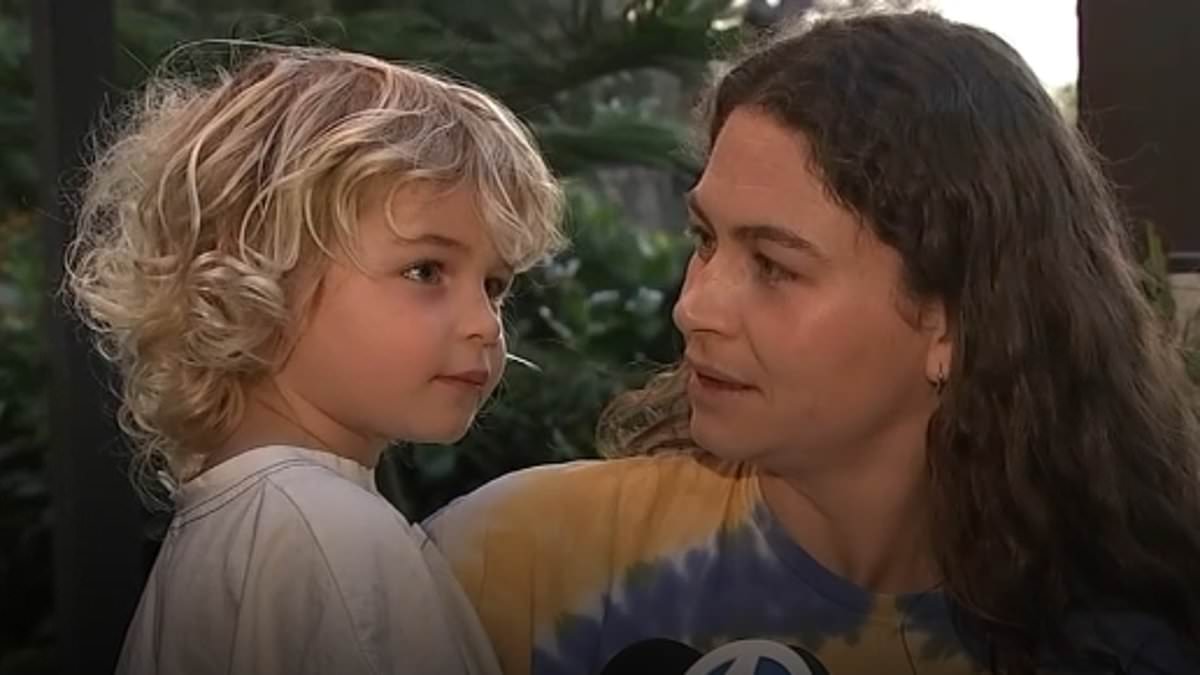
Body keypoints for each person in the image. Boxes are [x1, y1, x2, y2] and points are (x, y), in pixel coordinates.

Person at [422, 10, 1200, 675]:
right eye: (705, 239)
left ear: (953, 321)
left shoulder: (1122, 640)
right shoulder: (516, 565)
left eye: (774, 265)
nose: (694, 306)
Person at [66, 45, 564, 675]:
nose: (485, 325)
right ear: (259, 265)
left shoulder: (239, 525)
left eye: (494, 285)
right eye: (425, 270)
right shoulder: (332, 536)